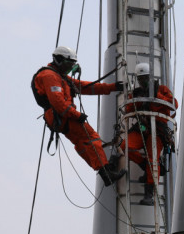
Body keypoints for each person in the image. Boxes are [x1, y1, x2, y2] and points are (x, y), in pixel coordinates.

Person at [31, 46, 126, 185]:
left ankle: (103, 169)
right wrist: (76, 115)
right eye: (68, 64)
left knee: (82, 143)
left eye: (72, 65)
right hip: (62, 116)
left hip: (61, 117)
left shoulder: (60, 77)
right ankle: (106, 172)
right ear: (58, 60)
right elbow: (58, 102)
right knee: (91, 137)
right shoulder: (49, 76)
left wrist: (112, 87)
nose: (70, 68)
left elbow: (85, 87)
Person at [121, 62, 177, 204]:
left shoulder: (162, 89)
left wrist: (155, 94)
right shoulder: (138, 93)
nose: (143, 81)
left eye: (145, 78)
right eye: (141, 79)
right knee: (125, 145)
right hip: (143, 128)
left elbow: (173, 103)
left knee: (153, 159)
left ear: (150, 77)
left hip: (158, 130)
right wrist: (133, 98)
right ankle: (144, 165)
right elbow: (128, 109)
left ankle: (149, 193)